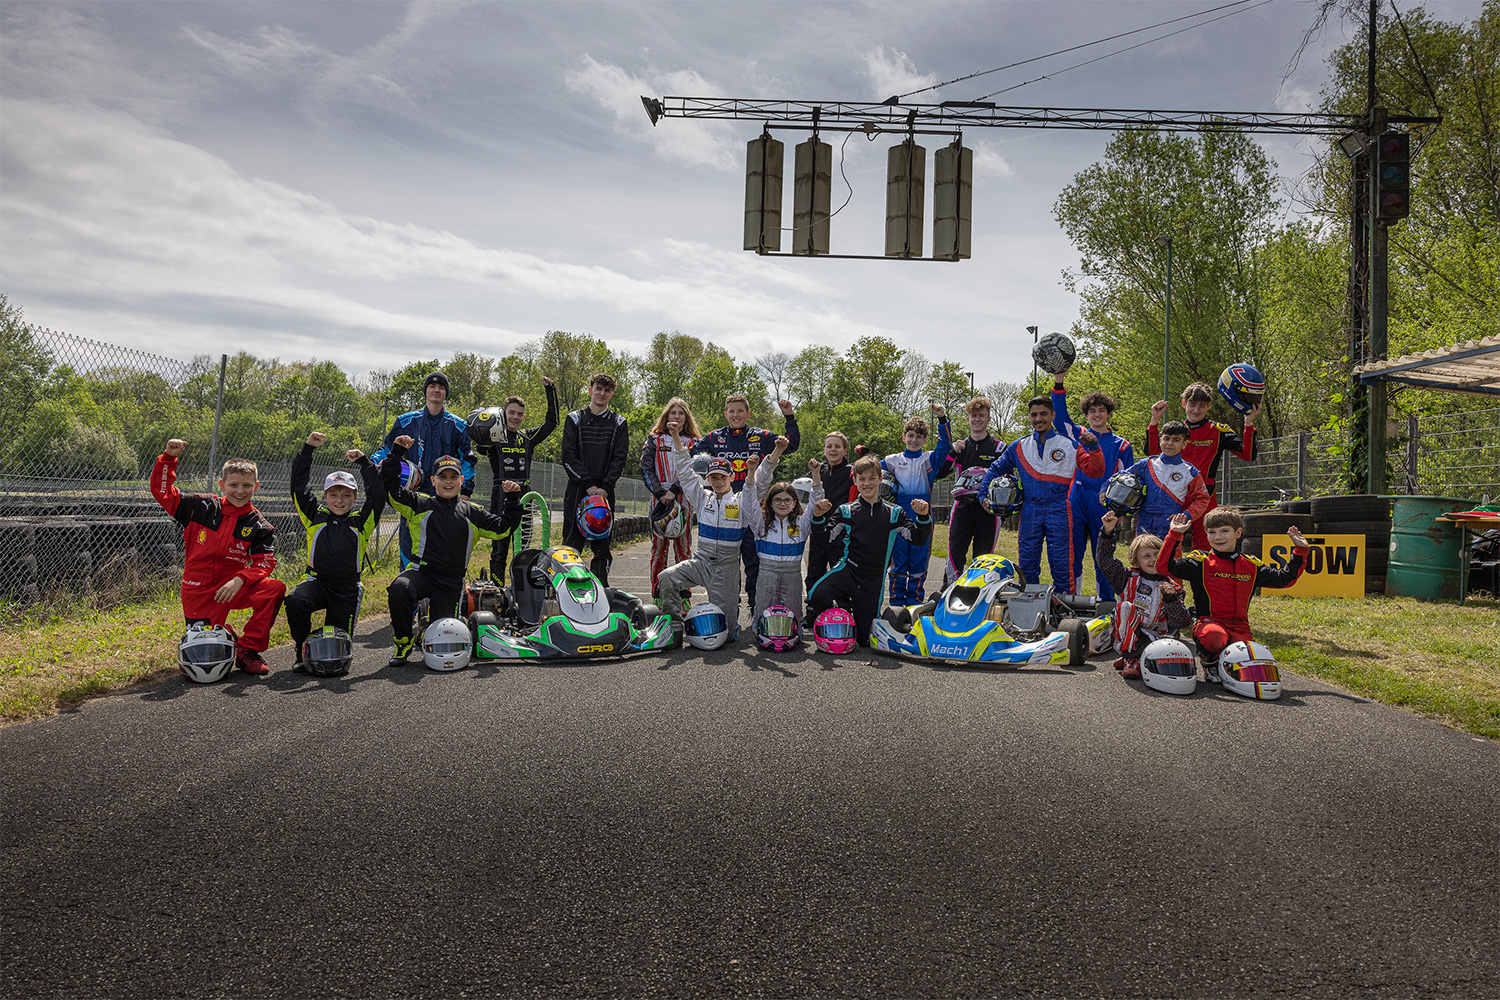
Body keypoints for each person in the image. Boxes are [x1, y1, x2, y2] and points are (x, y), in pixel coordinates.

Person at [380, 436, 522, 666]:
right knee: (399, 588)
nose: (448, 482)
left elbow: (503, 529)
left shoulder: (472, 512)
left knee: (442, 636)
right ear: (433, 480)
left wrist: (513, 500)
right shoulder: (419, 504)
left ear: (461, 480)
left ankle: (427, 624)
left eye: (453, 477)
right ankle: (403, 640)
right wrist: (397, 453)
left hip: (451, 582)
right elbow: (390, 489)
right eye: (443, 477)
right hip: (422, 573)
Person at [150, 439, 285, 676]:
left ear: (256, 486)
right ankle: (228, 634)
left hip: (231, 587)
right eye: (233, 485)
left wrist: (241, 579)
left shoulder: (259, 525)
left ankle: (247, 650)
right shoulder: (200, 507)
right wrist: (168, 459)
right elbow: (162, 492)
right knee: (201, 658)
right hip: (197, 590)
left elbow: (265, 561)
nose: (240, 491)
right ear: (222, 484)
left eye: (247, 485)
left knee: (274, 588)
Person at [1158, 507, 1308, 680]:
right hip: (1209, 625)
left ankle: (1228, 663)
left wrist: (1300, 550)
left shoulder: (1251, 564)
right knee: (1214, 637)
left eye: (1224, 531)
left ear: (1238, 533)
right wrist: (1174, 534)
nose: (1218, 537)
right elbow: (1163, 567)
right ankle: (1209, 664)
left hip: (1241, 628)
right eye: (1212, 532)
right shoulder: (1200, 561)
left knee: (1258, 664)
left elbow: (1285, 579)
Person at [978, 395, 1105, 593]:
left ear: (1053, 415)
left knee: (1062, 565)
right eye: (1034, 415)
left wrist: (1095, 449)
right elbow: (995, 469)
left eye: (1044, 414)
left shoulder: (1069, 444)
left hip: (1059, 508)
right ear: (1029, 417)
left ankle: (1064, 612)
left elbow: (1095, 471)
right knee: (1027, 565)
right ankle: (1029, 608)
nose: (1039, 419)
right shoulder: (1019, 445)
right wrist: (983, 495)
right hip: (1030, 509)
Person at [807, 454, 932, 648]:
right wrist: (818, 517)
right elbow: (825, 539)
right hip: (848, 571)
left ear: (880, 479)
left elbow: (917, 538)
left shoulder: (894, 513)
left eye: (872, 478)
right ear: (855, 480)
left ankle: (858, 611)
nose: (867, 483)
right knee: (816, 594)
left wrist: (923, 517)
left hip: (873, 580)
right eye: (862, 479)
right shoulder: (845, 510)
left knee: (865, 641)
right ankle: (843, 610)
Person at [284, 432, 385, 670]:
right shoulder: (314, 517)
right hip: (317, 583)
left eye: (346, 495)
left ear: (355, 497)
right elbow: (298, 486)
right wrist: (307, 449)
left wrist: (364, 463)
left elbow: (378, 495)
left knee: (338, 650)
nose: (339, 500)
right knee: (295, 601)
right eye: (334, 495)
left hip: (346, 589)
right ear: (325, 496)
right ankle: (301, 651)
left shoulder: (362, 522)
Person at [657, 417, 764, 639]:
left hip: (727, 568)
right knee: (667, 577)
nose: (718, 481)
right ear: (707, 479)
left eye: (722, 477)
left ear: (731, 477)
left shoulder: (742, 501)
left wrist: (766, 463)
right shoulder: (701, 498)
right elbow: (685, 473)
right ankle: (674, 627)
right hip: (701, 561)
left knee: (726, 634)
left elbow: (761, 485)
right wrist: (676, 436)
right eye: (713, 477)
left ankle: (730, 618)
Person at [693, 393, 800, 611]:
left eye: (740, 410)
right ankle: (727, 605)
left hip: (753, 508)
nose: (735, 415)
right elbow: (693, 453)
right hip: (725, 508)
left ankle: (755, 606)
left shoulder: (760, 436)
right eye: (731, 411)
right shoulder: (714, 437)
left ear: (747, 413)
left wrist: (789, 416)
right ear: (725, 414)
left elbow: (792, 444)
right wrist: (704, 462)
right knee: (726, 562)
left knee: (753, 562)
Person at [371, 371, 476, 567]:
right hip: (412, 496)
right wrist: (375, 463)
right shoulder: (406, 421)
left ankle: (439, 593)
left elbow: (467, 461)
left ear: (446, 394)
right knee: (409, 545)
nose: (436, 390)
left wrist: (466, 492)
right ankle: (409, 590)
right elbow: (386, 449)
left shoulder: (458, 426)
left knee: (443, 547)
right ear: (425, 391)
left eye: (441, 388)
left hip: (445, 497)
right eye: (432, 386)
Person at [1146, 382, 1260, 550]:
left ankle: (1200, 577)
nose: (1196, 410)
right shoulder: (1176, 429)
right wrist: (1154, 421)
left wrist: (1248, 424)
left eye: (1201, 406)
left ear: (1209, 406)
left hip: (1205, 496)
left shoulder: (1219, 430)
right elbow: (1151, 451)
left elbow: (1248, 455)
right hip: (1174, 495)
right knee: (1168, 545)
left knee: (1205, 547)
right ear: (1184, 404)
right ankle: (1168, 577)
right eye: (1192, 405)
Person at [1052, 371, 1135, 601]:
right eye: (1092, 411)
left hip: (1103, 504)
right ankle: (1071, 600)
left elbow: (1128, 481)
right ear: (1086, 415)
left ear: (1108, 414)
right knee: (1073, 555)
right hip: (1076, 499)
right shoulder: (1078, 434)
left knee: (1104, 557)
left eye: (1101, 411)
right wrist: (1059, 382)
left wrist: (1119, 513)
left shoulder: (1122, 445)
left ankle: (1106, 605)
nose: (1097, 414)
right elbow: (1058, 419)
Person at [1096, 511, 1190, 679]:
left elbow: (1181, 622)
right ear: (1135, 561)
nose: (1153, 559)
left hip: (1155, 641)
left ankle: (1133, 656)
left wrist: (1170, 599)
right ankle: (1131, 658)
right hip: (1125, 633)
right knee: (1124, 606)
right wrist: (1107, 532)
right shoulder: (1126, 577)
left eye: (1157, 554)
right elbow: (1105, 560)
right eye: (1146, 556)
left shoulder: (1173, 586)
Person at [482, 376, 557, 584]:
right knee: (500, 547)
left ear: (524, 417)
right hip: (501, 495)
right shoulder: (493, 437)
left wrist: (550, 392)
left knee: (524, 545)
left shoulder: (527, 438)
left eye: (519, 414)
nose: (515, 417)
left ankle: (522, 591)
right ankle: (497, 591)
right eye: (511, 412)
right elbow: (478, 442)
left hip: (525, 495)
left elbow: (552, 422)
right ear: (503, 413)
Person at [560, 373, 628, 585]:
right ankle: (569, 589)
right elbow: (568, 456)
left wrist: (605, 487)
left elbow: (620, 459)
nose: (602, 393)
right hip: (579, 490)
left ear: (611, 394)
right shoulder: (574, 419)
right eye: (598, 388)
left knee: (602, 546)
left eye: (607, 390)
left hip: (605, 494)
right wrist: (588, 484)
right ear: (590, 390)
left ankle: (601, 589)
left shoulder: (619, 422)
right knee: (572, 544)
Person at [744, 437, 823, 622]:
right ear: (770, 503)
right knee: (764, 614)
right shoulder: (760, 523)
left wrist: (816, 476)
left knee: (793, 616)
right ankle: (761, 632)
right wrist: (750, 473)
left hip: (792, 574)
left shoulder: (801, 524)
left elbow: (815, 502)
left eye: (787, 500)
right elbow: (749, 501)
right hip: (766, 573)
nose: (782, 504)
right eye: (777, 500)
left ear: (794, 503)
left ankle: (792, 636)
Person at [881, 405, 951, 604]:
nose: (914, 440)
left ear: (925, 440)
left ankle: (914, 602)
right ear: (903, 437)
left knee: (919, 559)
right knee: (899, 558)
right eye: (910, 435)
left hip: (923, 514)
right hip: (898, 513)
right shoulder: (891, 460)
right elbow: (869, 473)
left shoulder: (929, 459)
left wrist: (942, 419)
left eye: (919, 437)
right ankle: (895, 601)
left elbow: (946, 445)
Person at [937, 396, 1003, 586]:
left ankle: (980, 596)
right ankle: (948, 591)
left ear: (989, 419)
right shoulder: (960, 447)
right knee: (955, 553)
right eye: (973, 416)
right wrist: (953, 452)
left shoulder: (999, 448)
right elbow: (940, 473)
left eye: (981, 416)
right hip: (962, 508)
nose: (977, 419)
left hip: (988, 510)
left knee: (983, 557)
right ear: (968, 419)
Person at [640, 397, 701, 598]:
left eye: (681, 413)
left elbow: (693, 468)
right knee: (658, 549)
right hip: (659, 502)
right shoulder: (654, 438)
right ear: (666, 416)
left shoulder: (694, 442)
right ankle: (657, 595)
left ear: (686, 417)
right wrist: (659, 493)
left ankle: (684, 595)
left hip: (683, 501)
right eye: (673, 412)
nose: (676, 416)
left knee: (683, 549)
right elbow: (646, 467)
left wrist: (674, 490)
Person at [1124, 420, 1214, 542]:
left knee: (1170, 559)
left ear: (1184, 444)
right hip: (1144, 521)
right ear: (1160, 440)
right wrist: (1105, 489)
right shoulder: (1147, 464)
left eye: (1176, 440)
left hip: (1171, 523)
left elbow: (1203, 499)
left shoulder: (1190, 472)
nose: (1170, 443)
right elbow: (1122, 476)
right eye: (1167, 438)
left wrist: (1186, 516)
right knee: (1142, 558)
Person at [804, 431, 857, 608]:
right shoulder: (819, 471)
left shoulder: (852, 473)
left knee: (839, 571)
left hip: (842, 533)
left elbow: (869, 468)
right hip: (819, 530)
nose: (833, 449)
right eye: (829, 446)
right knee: (814, 571)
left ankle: (843, 610)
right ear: (824, 450)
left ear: (845, 450)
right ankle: (814, 608)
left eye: (837, 446)